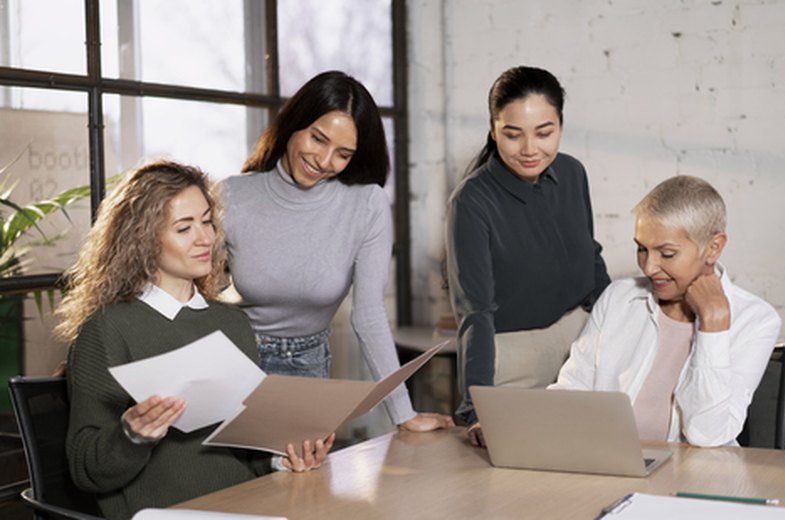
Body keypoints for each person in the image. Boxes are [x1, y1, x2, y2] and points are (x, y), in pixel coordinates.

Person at [57, 160, 334, 519]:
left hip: (248, 505)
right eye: (184, 228)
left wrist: (283, 458)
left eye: (207, 221)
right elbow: (86, 469)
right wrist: (132, 434)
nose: (205, 238)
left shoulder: (232, 322)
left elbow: (247, 449)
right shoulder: (108, 329)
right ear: (143, 239)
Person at [219, 70, 453, 433]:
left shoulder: (367, 204)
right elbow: (195, 298)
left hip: (306, 369)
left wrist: (403, 415)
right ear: (294, 123)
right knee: (227, 487)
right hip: (232, 362)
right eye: (318, 138)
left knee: (298, 485)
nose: (325, 161)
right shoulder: (231, 195)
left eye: (343, 154)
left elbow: (369, 315)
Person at [548, 175, 781, 447]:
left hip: (697, 476)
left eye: (667, 254)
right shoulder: (619, 298)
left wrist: (713, 327)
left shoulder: (756, 320)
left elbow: (708, 435)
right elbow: (571, 393)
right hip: (610, 464)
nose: (648, 268)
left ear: (713, 247)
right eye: (642, 249)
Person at [445, 66, 610, 440]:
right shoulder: (472, 201)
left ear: (561, 127)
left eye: (544, 132)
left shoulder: (572, 173)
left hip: (582, 349)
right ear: (493, 130)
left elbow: (591, 260)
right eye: (512, 134)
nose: (530, 149)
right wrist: (476, 410)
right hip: (514, 361)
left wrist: (620, 333)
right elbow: (475, 312)